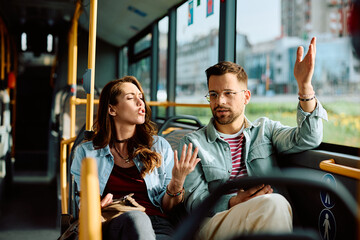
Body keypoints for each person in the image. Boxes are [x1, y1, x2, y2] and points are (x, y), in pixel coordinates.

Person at [178, 37, 328, 239]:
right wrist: (233, 201)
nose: (219, 101)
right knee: (275, 203)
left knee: (273, 205)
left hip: (265, 213)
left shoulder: (265, 130)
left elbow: (309, 138)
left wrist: (304, 87)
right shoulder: (193, 143)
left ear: (246, 97)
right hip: (215, 222)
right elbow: (194, 202)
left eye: (228, 93)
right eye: (213, 94)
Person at [71, 76, 200, 240]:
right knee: (137, 218)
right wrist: (95, 206)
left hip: (157, 224)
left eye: (141, 97)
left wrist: (177, 182)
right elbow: (83, 205)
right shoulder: (87, 153)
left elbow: (167, 208)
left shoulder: (159, 147)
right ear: (112, 109)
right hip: (110, 222)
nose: (141, 103)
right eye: (131, 98)